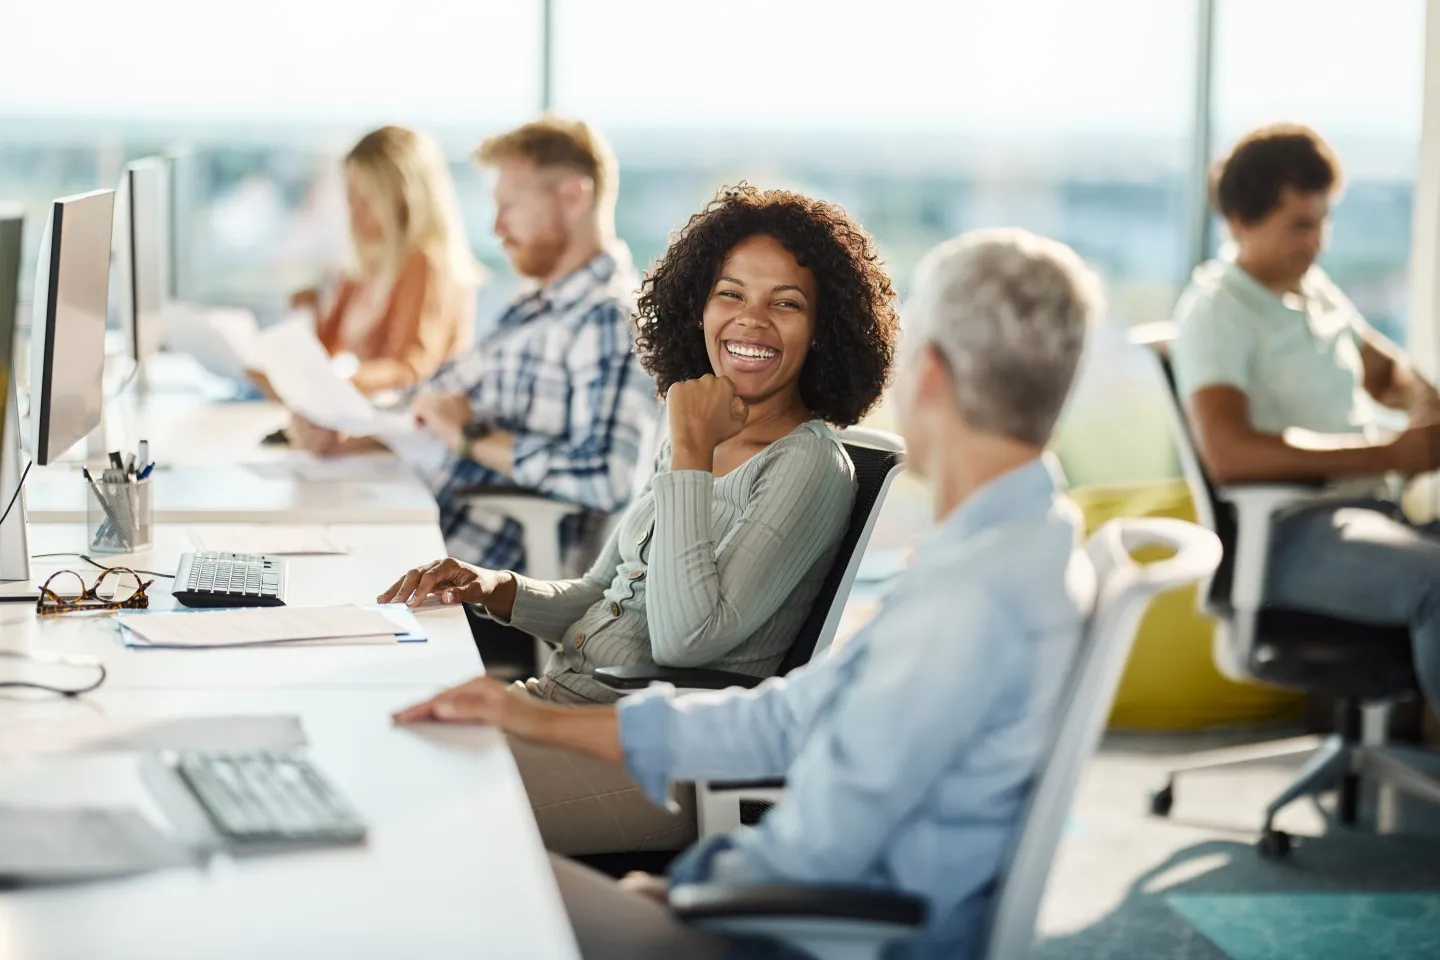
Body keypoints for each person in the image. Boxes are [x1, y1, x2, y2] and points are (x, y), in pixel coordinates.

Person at [391, 227, 1100, 960]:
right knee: (416, 784)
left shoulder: (970, 601)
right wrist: (530, 713)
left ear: (931, 375)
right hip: (764, 883)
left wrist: (690, 890)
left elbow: (826, 840)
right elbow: (789, 718)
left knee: (435, 861)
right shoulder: (1008, 549)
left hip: (786, 933)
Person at [380, 184, 901, 855]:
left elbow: (689, 641)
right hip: (564, 707)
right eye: (731, 294)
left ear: (823, 331)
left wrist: (690, 451)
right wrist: (491, 587)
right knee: (391, 748)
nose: (751, 320)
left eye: (787, 303)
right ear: (697, 308)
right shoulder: (693, 433)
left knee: (415, 807)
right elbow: (599, 599)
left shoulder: (808, 467)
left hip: (655, 763)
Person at [289, 117, 658, 575]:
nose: (496, 227)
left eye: (510, 206)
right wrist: (347, 430)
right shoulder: (535, 307)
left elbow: (608, 478)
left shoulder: (608, 318)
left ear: (574, 197)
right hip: (433, 533)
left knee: (301, 576)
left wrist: (472, 438)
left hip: (484, 576)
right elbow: (431, 398)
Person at [1172, 123, 1440, 714]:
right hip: (1290, 536)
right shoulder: (1218, 312)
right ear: (1241, 221)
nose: (1317, 242)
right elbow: (1229, 452)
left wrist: (1423, 405)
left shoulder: (1312, 291)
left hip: (1371, 511)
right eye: (1300, 225)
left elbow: (1386, 374)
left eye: (1323, 221)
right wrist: (1393, 454)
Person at [288, 125, 481, 394]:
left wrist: (341, 386)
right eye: (350, 197)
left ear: (403, 199)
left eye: (366, 198)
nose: (354, 211)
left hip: (409, 423)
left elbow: (412, 371)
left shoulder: (425, 263)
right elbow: (326, 351)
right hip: (367, 416)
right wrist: (309, 314)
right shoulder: (363, 267)